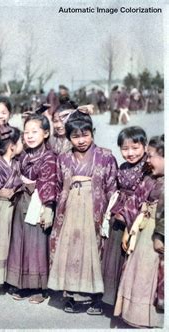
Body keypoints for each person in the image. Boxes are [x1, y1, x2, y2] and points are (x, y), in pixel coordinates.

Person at [48, 110, 118, 314]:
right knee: (70, 249)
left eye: (85, 134)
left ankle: (96, 297)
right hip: (70, 209)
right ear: (68, 137)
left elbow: (112, 187)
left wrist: (108, 214)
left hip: (95, 209)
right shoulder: (63, 158)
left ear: (93, 132)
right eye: (75, 136)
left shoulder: (105, 156)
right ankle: (70, 295)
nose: (81, 140)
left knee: (95, 251)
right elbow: (60, 184)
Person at [96, 127, 149, 312]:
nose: (130, 153)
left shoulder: (148, 168)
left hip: (137, 214)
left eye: (135, 148)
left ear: (145, 146)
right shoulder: (123, 167)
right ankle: (109, 299)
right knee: (113, 256)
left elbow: (145, 194)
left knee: (131, 258)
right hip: (118, 214)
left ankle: (130, 304)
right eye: (125, 149)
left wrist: (129, 215)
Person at [114, 135, 164, 328]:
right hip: (143, 230)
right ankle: (134, 315)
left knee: (151, 277)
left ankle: (151, 317)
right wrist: (127, 224)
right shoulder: (151, 178)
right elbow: (136, 200)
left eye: (151, 156)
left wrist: (161, 236)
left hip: (156, 233)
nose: (148, 160)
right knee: (139, 272)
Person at [6, 114, 57, 304]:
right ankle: (22, 283)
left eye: (35, 132)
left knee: (37, 243)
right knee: (21, 242)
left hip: (39, 201)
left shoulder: (49, 156)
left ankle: (39, 287)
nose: (30, 136)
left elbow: (50, 182)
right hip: (22, 201)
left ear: (45, 133)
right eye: (26, 132)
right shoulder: (24, 154)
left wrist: (48, 207)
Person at [0, 126, 23, 293]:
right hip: (1, 208)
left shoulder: (18, 164)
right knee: (1, 243)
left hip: (17, 207)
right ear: (12, 146)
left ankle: (12, 278)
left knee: (15, 243)